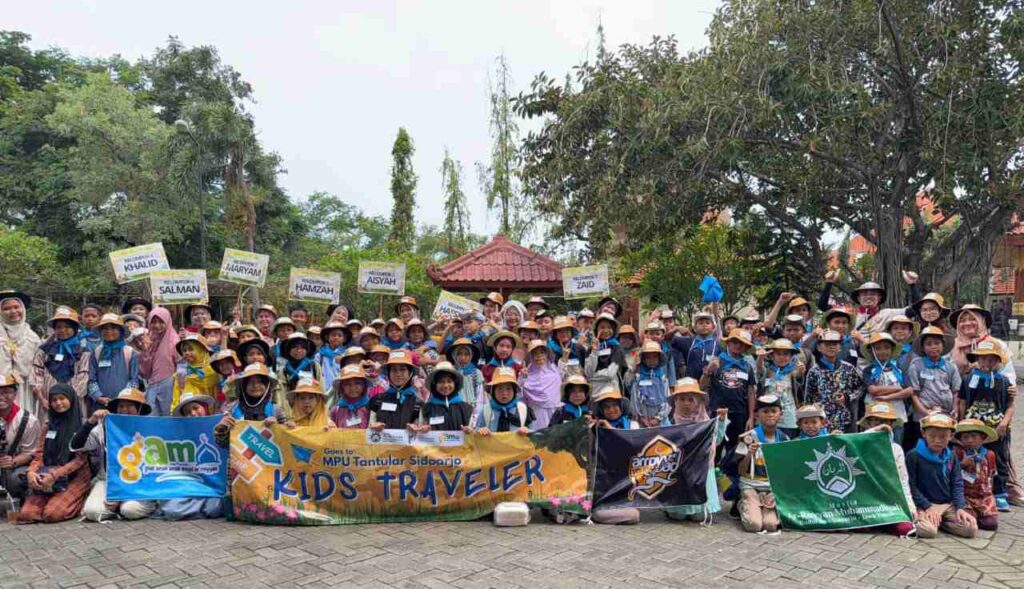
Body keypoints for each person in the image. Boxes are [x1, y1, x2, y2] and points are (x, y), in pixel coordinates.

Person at [73, 387, 156, 521]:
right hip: (108, 480)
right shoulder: (104, 427)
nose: (124, 410)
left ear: (139, 409)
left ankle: (132, 505)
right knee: (92, 512)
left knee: (130, 510)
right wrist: (91, 421)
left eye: (130, 406)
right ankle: (114, 509)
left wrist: (122, 495)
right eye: (121, 406)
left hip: (140, 481)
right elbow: (77, 445)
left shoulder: (150, 429)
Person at [956, 340, 1014, 511]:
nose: (987, 362)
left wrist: (1004, 424)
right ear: (977, 359)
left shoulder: (1004, 381)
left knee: (999, 458)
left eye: (991, 359)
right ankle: (971, 491)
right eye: (983, 359)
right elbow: (962, 402)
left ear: (997, 361)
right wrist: (961, 422)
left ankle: (1000, 493)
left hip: (997, 427)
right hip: (973, 426)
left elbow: (1010, 405)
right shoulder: (968, 379)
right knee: (973, 456)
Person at [18, 384, 89, 523]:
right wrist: (31, 472)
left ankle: (81, 498)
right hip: (47, 475)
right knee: (27, 514)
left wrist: (55, 475)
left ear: (71, 399)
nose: (58, 403)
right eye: (54, 400)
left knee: (52, 514)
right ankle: (52, 499)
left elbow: (79, 461)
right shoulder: (48, 426)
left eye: (62, 398)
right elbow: (39, 454)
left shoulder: (82, 426)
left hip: (74, 476)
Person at [665, 378, 729, 524]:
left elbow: (717, 440)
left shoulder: (706, 423)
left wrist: (722, 421)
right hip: (679, 472)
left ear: (698, 401)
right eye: (681, 399)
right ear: (676, 401)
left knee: (698, 517)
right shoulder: (670, 421)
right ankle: (672, 508)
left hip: (702, 470)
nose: (686, 403)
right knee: (678, 516)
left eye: (690, 399)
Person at [152, 391, 224, 521]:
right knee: (172, 510)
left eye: (196, 408)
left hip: (211, 486)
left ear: (205, 408)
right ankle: (200, 511)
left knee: (214, 508)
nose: (193, 413)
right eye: (187, 412)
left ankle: (196, 510)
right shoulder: (177, 434)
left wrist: (226, 426)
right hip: (185, 486)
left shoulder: (219, 426)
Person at [906, 412, 977, 539]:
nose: (937, 440)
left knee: (970, 528)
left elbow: (957, 482)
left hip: (946, 504)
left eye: (943, 436)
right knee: (928, 532)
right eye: (932, 436)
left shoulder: (951, 456)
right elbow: (910, 485)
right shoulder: (914, 455)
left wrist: (960, 507)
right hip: (924, 504)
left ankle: (940, 521)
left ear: (951, 436)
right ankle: (926, 520)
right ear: (924, 434)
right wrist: (926, 506)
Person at [856, 402, 916, 536]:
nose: (880, 425)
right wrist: (875, 431)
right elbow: (858, 440)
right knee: (861, 527)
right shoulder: (859, 446)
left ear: (892, 424)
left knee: (905, 528)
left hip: (889, 501)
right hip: (865, 501)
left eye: (885, 422)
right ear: (868, 424)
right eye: (875, 421)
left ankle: (888, 523)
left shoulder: (896, 449)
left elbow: (903, 481)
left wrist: (910, 507)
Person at [734, 395, 789, 533]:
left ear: (780, 415)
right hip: (750, 486)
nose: (770, 415)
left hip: (771, 489)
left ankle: (765, 508)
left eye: (773, 411)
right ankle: (742, 503)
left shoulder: (784, 439)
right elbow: (740, 471)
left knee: (770, 525)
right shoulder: (746, 438)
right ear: (757, 415)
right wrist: (749, 454)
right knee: (753, 525)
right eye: (765, 411)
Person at [701, 329, 757, 452]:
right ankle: (713, 471)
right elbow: (702, 386)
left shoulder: (747, 366)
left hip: (739, 413)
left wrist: (751, 417)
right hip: (718, 411)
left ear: (746, 348)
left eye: (742, 344)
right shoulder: (716, 361)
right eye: (735, 342)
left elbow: (751, 392)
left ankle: (731, 471)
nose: (738, 346)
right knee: (715, 447)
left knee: (735, 448)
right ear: (728, 343)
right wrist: (708, 372)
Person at [213, 363, 292, 449]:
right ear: (244, 386)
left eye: (260, 382)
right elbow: (222, 444)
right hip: (238, 460)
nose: (255, 385)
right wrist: (221, 429)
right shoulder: (233, 409)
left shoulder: (276, 410)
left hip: (268, 460)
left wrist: (280, 427)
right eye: (251, 382)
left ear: (267, 385)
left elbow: (286, 443)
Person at [31, 306, 90, 417]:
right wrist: (42, 398)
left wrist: (69, 400)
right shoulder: (44, 350)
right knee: (47, 429)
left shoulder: (83, 352)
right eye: (58, 327)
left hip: (74, 402)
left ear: (75, 328)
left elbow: (83, 376)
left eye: (67, 327)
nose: (62, 330)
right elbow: (36, 373)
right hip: (48, 401)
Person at [907, 326, 960, 447]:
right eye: (929, 344)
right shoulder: (916, 366)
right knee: (924, 444)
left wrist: (955, 407)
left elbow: (956, 390)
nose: (933, 346)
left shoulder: (950, 366)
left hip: (945, 413)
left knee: (944, 444)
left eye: (937, 343)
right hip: (924, 414)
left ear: (943, 345)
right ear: (923, 347)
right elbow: (914, 393)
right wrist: (924, 411)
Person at [803, 329, 863, 433]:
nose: (831, 347)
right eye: (827, 344)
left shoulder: (848, 368)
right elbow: (808, 399)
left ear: (839, 347)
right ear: (819, 347)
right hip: (822, 424)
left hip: (846, 420)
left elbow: (860, 388)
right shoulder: (814, 371)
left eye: (835, 344)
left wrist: (848, 397)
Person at [862, 332, 912, 444]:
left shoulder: (898, 370)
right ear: (872, 351)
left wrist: (887, 397)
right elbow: (873, 390)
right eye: (878, 348)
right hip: (875, 415)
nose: (883, 351)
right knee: (874, 444)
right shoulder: (869, 370)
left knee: (896, 444)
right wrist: (898, 388)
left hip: (896, 414)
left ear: (892, 350)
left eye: (886, 348)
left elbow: (909, 391)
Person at [87, 314, 140, 416]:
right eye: (105, 328)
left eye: (113, 328)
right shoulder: (97, 352)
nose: (109, 331)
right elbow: (92, 379)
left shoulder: (129, 352)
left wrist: (124, 398)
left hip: (125, 406)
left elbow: (134, 379)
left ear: (121, 330)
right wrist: (98, 396)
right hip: (101, 405)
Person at [0, 373, 41, 504]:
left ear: (15, 394)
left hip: (17, 465)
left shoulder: (29, 421)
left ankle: (23, 500)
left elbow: (30, 453)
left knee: (16, 480)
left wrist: (12, 461)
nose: (1, 396)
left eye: (6, 392)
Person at [953, 418, 1000, 530]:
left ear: (983, 437)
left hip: (984, 497)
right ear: (960, 439)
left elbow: (991, 476)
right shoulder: (957, 453)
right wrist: (962, 464)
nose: (969, 440)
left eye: (974, 436)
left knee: (991, 524)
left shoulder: (990, 454)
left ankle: (983, 514)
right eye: (965, 437)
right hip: (965, 496)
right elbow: (949, 474)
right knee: (969, 520)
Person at [0, 291, 41, 416]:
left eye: (16, 307)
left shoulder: (32, 337)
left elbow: (37, 366)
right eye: (7, 308)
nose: (13, 311)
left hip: (24, 388)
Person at [138, 306, 179, 418]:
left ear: (168, 321)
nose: (157, 325)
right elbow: (145, 372)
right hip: (152, 385)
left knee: (168, 416)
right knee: (152, 417)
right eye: (153, 322)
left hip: (170, 385)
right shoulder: (149, 339)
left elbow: (180, 366)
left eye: (161, 322)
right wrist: (145, 350)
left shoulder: (175, 341)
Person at [757, 338, 804, 438]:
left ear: (792, 356)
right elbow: (760, 370)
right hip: (768, 417)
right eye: (778, 354)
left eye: (786, 354)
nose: (782, 357)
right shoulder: (768, 371)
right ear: (772, 355)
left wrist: (800, 372)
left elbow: (799, 378)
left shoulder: (793, 372)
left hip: (788, 418)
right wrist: (760, 358)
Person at [368, 350, 422, 431]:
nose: (398, 374)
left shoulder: (418, 403)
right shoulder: (377, 399)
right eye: (394, 370)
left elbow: (420, 430)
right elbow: (369, 427)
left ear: (410, 373)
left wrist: (415, 428)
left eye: (403, 369)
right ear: (388, 373)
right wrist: (373, 427)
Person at [474, 366, 533, 435]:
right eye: (500, 389)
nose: (504, 393)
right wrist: (480, 431)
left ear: (514, 391)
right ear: (493, 391)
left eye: (508, 389)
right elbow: (475, 433)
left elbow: (534, 436)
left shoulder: (523, 410)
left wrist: (527, 431)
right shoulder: (486, 411)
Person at [519, 340, 563, 430]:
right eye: (535, 353)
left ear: (547, 354)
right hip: (537, 412)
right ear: (531, 356)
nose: (539, 356)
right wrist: (523, 378)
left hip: (555, 411)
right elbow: (519, 393)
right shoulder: (526, 373)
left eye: (542, 352)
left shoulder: (554, 370)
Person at [419, 361, 474, 432]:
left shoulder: (466, 408)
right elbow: (419, 432)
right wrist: (422, 430)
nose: (445, 385)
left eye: (449, 381)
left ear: (455, 384)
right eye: (441, 381)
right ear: (434, 384)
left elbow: (473, 431)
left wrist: (470, 430)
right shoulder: (426, 409)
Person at [171, 334, 218, 414]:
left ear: (201, 350)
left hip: (211, 416)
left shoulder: (214, 370)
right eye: (184, 350)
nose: (187, 353)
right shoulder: (181, 373)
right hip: (189, 417)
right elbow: (176, 397)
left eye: (191, 349)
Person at [629, 340, 672, 428]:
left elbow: (667, 400)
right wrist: (640, 417)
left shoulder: (663, 379)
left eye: (654, 357)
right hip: (642, 421)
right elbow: (634, 399)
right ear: (643, 360)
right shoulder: (638, 378)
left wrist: (658, 418)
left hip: (661, 422)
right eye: (648, 358)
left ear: (659, 359)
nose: (651, 360)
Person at [583, 313, 627, 395]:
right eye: (602, 327)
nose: (606, 330)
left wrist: (593, 377)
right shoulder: (591, 348)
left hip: (611, 390)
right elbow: (588, 372)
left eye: (609, 327)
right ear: (596, 330)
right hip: (594, 392)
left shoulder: (617, 348)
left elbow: (610, 374)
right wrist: (594, 351)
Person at [669, 310, 720, 380]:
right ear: (695, 328)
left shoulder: (718, 344)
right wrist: (676, 329)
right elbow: (667, 340)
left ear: (713, 327)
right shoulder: (688, 341)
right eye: (700, 323)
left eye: (707, 323)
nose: (704, 325)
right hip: (691, 383)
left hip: (712, 383)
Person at [445, 337, 485, 415]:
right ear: (454, 355)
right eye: (459, 354)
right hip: (453, 410)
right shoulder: (449, 372)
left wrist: (477, 410)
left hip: (473, 410)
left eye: (466, 354)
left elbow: (480, 395)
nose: (463, 357)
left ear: (471, 356)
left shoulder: (476, 373)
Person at [330, 364, 374, 429]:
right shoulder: (336, 410)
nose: (352, 388)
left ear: (364, 385)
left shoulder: (371, 409)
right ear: (342, 387)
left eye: (357, 383)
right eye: (347, 384)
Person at [316, 321, 350, 398]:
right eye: (333, 335)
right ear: (327, 337)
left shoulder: (346, 355)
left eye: (339, 335)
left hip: (341, 391)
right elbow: (315, 372)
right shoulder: (320, 355)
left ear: (344, 339)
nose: (336, 337)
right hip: (323, 389)